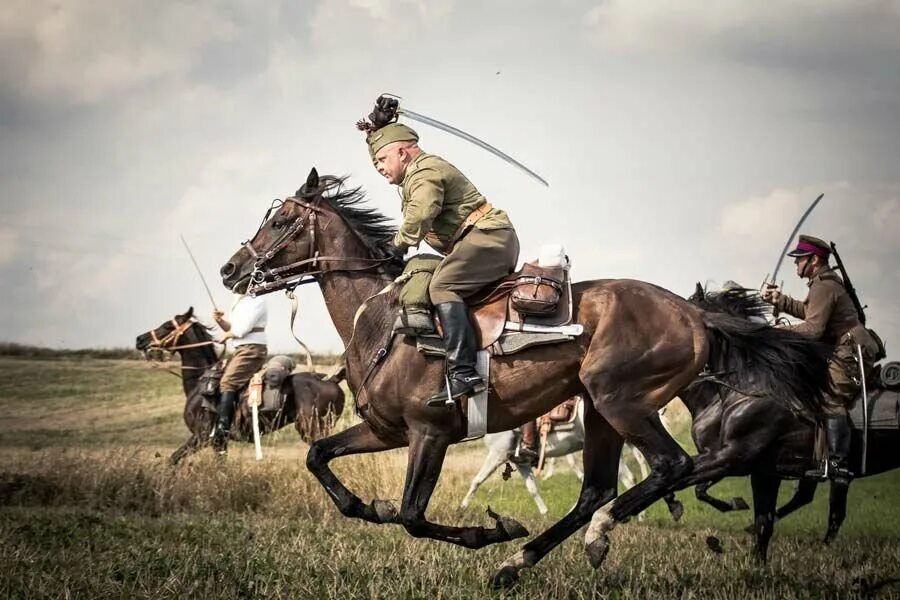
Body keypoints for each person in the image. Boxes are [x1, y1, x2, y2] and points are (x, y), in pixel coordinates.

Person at [363, 117, 519, 407]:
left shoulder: (424, 171)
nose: (381, 168)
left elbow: (420, 216)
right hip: (479, 241)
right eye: (376, 165)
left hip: (488, 238)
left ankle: (463, 372)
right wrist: (376, 131)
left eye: (382, 159)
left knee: (442, 287)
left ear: (403, 152)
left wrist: (395, 246)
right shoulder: (415, 176)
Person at [761, 234, 878, 482]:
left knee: (830, 397)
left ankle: (838, 465)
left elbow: (813, 330)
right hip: (845, 348)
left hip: (851, 352)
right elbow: (809, 311)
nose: (795, 264)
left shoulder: (823, 285)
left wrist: (778, 331)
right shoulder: (821, 285)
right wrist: (779, 301)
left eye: (799, 260)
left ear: (814, 260)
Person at [210, 291, 268, 453]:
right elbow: (233, 327)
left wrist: (226, 335)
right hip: (241, 349)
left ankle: (222, 428)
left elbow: (242, 330)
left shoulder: (257, 300)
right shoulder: (240, 301)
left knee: (227, 382)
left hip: (252, 349)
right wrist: (221, 321)